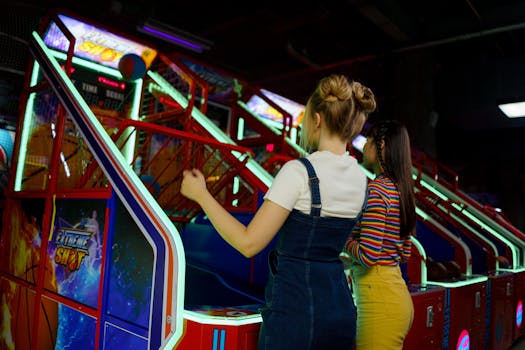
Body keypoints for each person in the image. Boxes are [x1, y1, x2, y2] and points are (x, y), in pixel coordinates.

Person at [181, 74, 377, 349]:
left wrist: (201, 194)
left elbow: (248, 243)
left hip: (295, 315)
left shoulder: (299, 172)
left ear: (317, 119)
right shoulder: (362, 180)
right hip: (340, 311)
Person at [341, 119, 416, 350]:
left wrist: (342, 239)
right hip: (396, 294)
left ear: (381, 145)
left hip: (379, 302)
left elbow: (368, 255)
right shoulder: (400, 189)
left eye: (368, 141)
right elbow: (404, 253)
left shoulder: (377, 190)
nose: (363, 147)